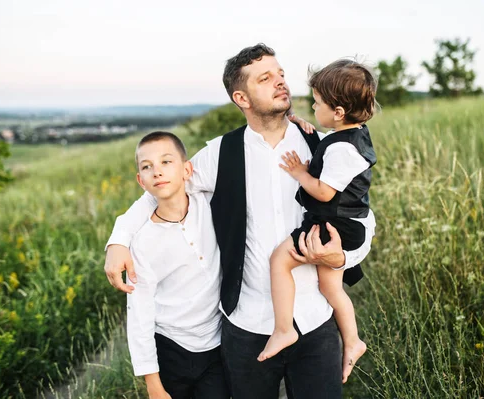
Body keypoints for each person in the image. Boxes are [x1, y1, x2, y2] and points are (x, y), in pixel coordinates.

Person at [104, 44, 376, 398]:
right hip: (246, 325)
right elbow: (160, 190)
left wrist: (342, 258)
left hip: (316, 320)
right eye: (265, 78)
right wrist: (119, 239)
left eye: (280, 74)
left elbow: (362, 217)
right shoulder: (220, 153)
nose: (280, 82)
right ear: (242, 97)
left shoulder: (323, 145)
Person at [258, 59, 377, 377]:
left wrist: (300, 172)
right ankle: (352, 341)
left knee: (279, 260)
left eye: (318, 103)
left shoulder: (342, 150)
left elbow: (324, 192)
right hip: (346, 223)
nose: (313, 106)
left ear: (338, 112)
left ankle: (284, 329)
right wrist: (304, 125)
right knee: (330, 286)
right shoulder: (353, 136)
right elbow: (333, 144)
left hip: (332, 225)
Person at [126, 131, 228, 399]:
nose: (157, 172)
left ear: (187, 170)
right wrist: (152, 383)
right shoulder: (141, 241)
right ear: (141, 181)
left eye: (166, 162)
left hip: (216, 344)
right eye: (147, 167)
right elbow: (140, 313)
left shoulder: (208, 204)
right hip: (171, 348)